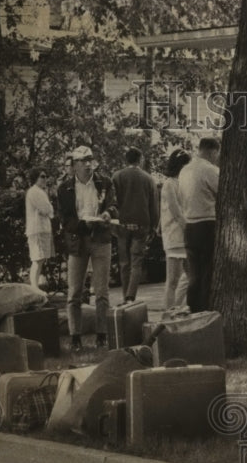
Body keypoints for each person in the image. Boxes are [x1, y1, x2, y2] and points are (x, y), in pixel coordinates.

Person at [57, 145, 118, 352]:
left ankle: (102, 336)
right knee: (74, 292)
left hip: (101, 238)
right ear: (74, 165)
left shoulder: (104, 182)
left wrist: (109, 213)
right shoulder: (64, 188)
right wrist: (84, 225)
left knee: (102, 291)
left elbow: (113, 205)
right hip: (78, 241)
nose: (87, 164)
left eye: (90, 159)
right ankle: (75, 337)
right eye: (82, 161)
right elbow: (66, 220)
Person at [111, 147, 159, 303]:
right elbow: (153, 205)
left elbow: (112, 202)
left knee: (124, 262)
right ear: (140, 159)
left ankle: (126, 297)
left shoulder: (117, 176)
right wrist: (154, 226)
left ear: (126, 159)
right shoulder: (148, 178)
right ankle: (131, 296)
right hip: (142, 224)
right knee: (136, 261)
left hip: (122, 225)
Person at [178, 136, 220, 312]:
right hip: (207, 224)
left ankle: (193, 309)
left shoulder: (185, 171)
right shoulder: (209, 170)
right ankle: (204, 310)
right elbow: (223, 192)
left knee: (193, 275)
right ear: (212, 151)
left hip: (190, 225)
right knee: (207, 274)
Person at [160, 148, 192, 309]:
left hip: (185, 235)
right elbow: (176, 211)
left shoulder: (185, 182)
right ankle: (168, 314)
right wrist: (190, 229)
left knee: (189, 277)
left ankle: (178, 308)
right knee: (173, 279)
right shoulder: (169, 184)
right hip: (174, 234)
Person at [25, 166, 55, 291]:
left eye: (45, 176)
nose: (45, 179)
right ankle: (34, 288)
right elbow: (46, 209)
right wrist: (49, 208)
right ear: (35, 178)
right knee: (37, 259)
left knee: (41, 259)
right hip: (37, 230)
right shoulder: (34, 192)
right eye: (42, 176)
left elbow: (50, 211)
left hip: (43, 229)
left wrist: (49, 209)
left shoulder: (41, 191)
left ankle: (35, 287)